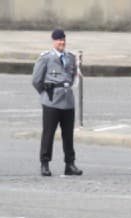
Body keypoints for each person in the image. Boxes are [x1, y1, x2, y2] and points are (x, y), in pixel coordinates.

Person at [32, 28, 81, 176]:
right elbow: (36, 80)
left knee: (68, 135)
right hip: (52, 101)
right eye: (59, 40)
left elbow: (72, 77)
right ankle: (45, 163)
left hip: (67, 101)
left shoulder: (70, 57)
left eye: (63, 40)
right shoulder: (46, 57)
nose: (62, 42)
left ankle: (70, 163)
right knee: (48, 134)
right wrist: (46, 94)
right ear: (53, 41)